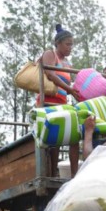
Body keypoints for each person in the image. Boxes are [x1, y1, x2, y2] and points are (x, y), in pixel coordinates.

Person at [37, 24, 82, 178]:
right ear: (58, 43)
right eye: (68, 44)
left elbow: (72, 84)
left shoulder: (68, 64)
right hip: (48, 103)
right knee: (53, 143)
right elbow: (49, 74)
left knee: (74, 134)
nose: (70, 48)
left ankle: (75, 174)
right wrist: (69, 89)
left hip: (62, 103)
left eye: (72, 45)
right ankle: (51, 174)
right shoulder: (50, 54)